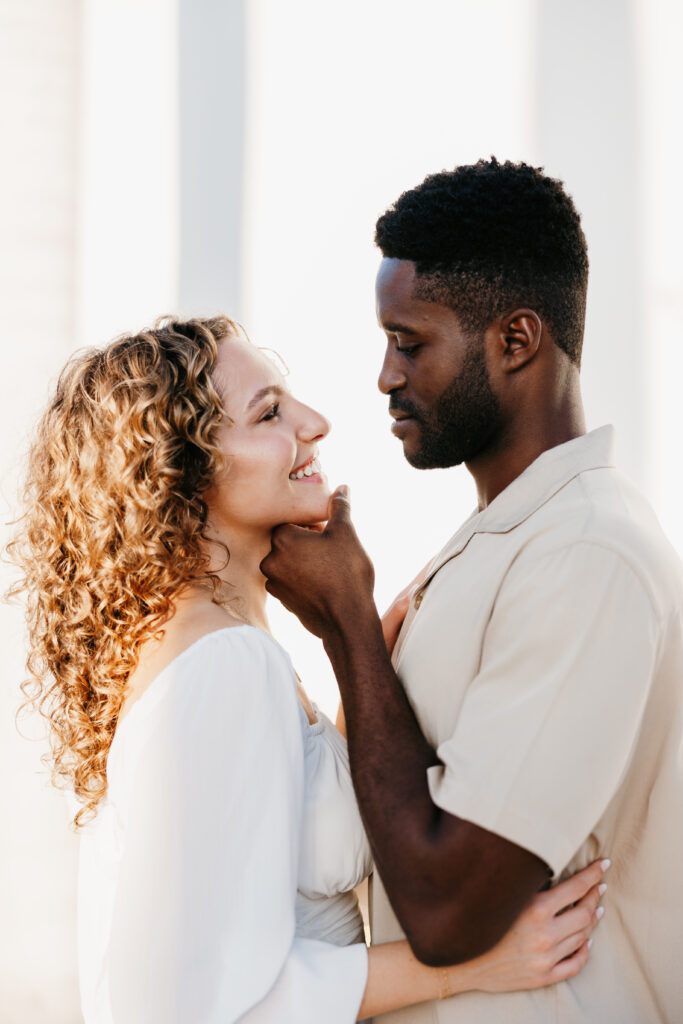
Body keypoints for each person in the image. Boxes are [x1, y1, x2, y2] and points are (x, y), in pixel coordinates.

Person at [9, 315, 606, 1023]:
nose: (315, 423)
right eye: (269, 412)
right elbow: (194, 1008)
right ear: (180, 472)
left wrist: (353, 644)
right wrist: (466, 962)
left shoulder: (225, 649)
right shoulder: (224, 664)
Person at [261, 159, 683, 1023]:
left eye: (409, 342)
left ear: (515, 340)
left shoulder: (585, 552)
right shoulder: (504, 540)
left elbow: (448, 910)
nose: (385, 376)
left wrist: (348, 624)